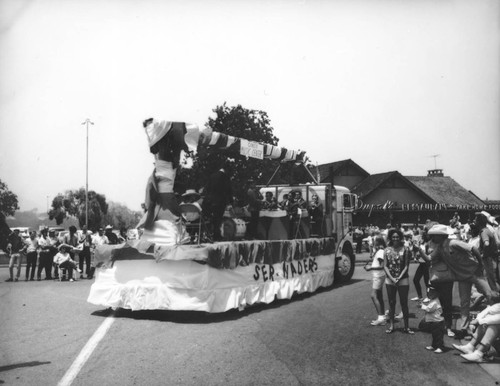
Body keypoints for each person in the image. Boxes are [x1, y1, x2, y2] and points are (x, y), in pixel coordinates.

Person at [427, 223, 495, 337]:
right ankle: (464, 328)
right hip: (462, 276)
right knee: (464, 303)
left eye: (435, 235)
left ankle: (491, 326)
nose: (433, 237)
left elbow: (473, 248)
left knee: (490, 295)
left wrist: (480, 265)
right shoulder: (439, 248)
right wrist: (418, 250)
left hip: (475, 272)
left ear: (442, 235)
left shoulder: (453, 243)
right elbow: (429, 259)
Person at [383, 228, 413, 334]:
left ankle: (406, 326)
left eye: (397, 236)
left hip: (403, 279)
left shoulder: (405, 249)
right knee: (391, 303)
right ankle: (391, 326)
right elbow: (385, 266)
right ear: (390, 237)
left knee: (404, 302)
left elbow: (406, 266)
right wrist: (392, 278)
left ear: (400, 238)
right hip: (390, 279)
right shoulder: (386, 250)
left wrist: (399, 277)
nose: (395, 238)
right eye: (393, 236)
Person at [203, 165, 233, 241]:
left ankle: (210, 234)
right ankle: (217, 235)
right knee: (218, 218)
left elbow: (206, 188)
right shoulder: (225, 177)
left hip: (210, 201)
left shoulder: (212, 176)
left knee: (212, 218)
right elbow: (228, 190)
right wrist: (230, 201)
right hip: (220, 201)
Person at [364, 235, 387, 326]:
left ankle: (381, 318)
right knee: (379, 296)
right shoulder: (379, 251)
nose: (373, 242)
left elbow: (382, 266)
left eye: (374, 240)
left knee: (373, 295)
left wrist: (371, 267)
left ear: (379, 242)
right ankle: (383, 316)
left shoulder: (380, 251)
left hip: (378, 276)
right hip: (378, 275)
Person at [475, 212, 499, 292]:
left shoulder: (483, 232)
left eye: (475, 220)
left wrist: (483, 254)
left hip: (488, 259)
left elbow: (486, 243)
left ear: (479, 221)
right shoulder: (487, 230)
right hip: (492, 257)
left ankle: (495, 297)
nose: (474, 221)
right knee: (493, 279)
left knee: (490, 279)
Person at [419, 287, 445, 354]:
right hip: (434, 321)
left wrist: (422, 306)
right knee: (434, 335)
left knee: (438, 336)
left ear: (436, 294)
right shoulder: (432, 301)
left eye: (432, 293)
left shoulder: (435, 302)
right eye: (429, 293)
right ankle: (434, 345)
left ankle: (440, 347)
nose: (430, 295)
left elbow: (429, 309)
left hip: (438, 322)